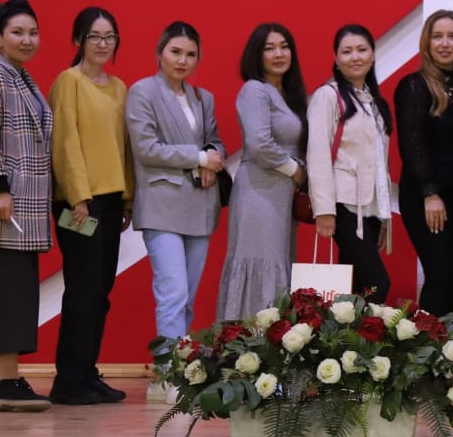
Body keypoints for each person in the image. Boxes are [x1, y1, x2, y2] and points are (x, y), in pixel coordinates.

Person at [127, 20, 226, 398]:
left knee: (186, 299)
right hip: (161, 206)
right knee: (172, 293)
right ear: (159, 53)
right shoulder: (142, 92)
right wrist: (198, 157)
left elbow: (215, 142)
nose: (183, 60)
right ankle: (172, 377)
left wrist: (211, 156)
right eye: (176, 52)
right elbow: (146, 148)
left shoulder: (203, 98)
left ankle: (166, 375)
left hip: (200, 207)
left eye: (191, 54)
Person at [0, 0, 54, 412]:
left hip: (25, 206)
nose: (27, 39)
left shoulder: (23, 79)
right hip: (6, 204)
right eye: (17, 32)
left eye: (33, 32)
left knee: (6, 289)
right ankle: (8, 380)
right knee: (13, 292)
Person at [47, 6, 133, 405]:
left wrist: (128, 197)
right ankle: (68, 379)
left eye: (109, 37)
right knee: (82, 289)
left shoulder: (119, 88)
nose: (102, 43)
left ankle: (86, 372)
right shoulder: (69, 81)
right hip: (79, 203)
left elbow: (123, 147)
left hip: (111, 201)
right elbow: (65, 142)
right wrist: (78, 196)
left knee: (100, 290)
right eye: (94, 36)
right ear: (78, 40)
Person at [216, 23, 308, 320]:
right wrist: (296, 171)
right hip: (259, 192)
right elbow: (259, 144)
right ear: (257, 55)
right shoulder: (255, 90)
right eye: (270, 48)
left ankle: (273, 342)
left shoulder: (289, 94)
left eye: (284, 46)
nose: (279, 54)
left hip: (282, 197)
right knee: (260, 265)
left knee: (278, 268)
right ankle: (249, 343)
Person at [395, 10, 453, 315]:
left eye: (452, 36)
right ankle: (427, 345)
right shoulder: (414, 86)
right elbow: (412, 144)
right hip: (429, 200)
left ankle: (446, 344)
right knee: (441, 276)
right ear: (427, 43)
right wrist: (430, 193)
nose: (445, 43)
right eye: (438, 36)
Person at [306, 24, 394, 304]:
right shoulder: (328, 96)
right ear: (336, 58)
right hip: (343, 205)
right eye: (347, 51)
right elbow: (318, 154)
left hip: (370, 208)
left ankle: (346, 333)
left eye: (362, 50)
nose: (355, 57)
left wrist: (383, 215)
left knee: (352, 286)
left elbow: (380, 164)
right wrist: (324, 210)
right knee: (377, 283)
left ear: (373, 55)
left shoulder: (374, 101)